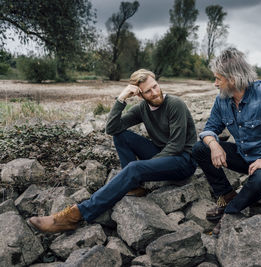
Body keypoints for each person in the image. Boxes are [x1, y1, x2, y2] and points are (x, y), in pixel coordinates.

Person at [28, 69, 198, 233]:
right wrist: (121, 99)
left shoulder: (175, 104)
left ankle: (75, 215)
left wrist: (142, 168)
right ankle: (135, 186)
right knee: (120, 136)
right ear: (140, 95)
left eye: (155, 86)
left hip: (183, 161)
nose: (154, 93)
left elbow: (175, 146)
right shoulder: (143, 109)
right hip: (163, 155)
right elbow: (112, 128)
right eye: (148, 91)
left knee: (134, 169)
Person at [192, 48, 261, 236]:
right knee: (200, 148)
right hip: (247, 157)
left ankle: (230, 211)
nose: (214, 83)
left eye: (218, 79)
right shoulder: (222, 100)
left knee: (259, 178)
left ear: (232, 79)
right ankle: (226, 195)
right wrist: (214, 144)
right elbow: (209, 128)